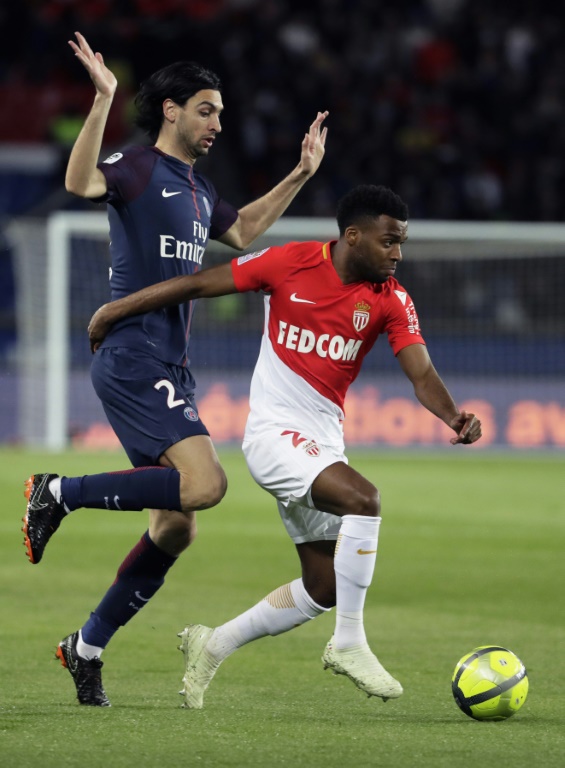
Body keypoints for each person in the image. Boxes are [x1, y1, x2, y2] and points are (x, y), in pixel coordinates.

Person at [21, 31, 328, 708]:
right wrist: (103, 98)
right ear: (171, 110)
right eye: (205, 110)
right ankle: (57, 492)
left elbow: (242, 233)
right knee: (205, 484)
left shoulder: (198, 187)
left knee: (176, 524)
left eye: (219, 113)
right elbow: (79, 182)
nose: (216, 123)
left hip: (170, 365)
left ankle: (85, 648)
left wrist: (301, 173)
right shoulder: (135, 165)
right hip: (132, 355)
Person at [87, 184, 482, 708]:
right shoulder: (290, 263)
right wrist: (115, 310)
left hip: (323, 442)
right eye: (389, 242)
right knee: (364, 500)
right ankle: (349, 642)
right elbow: (198, 283)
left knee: (324, 586)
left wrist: (453, 415)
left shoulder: (391, 300)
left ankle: (213, 644)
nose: (397, 255)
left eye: (401, 244)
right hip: (274, 436)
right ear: (353, 236)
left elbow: (422, 373)